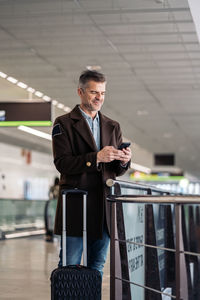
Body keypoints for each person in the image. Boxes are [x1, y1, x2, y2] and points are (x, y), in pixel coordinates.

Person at [52, 70, 132, 275]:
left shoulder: (113, 126)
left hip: (104, 206)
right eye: (94, 92)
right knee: (69, 266)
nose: (99, 98)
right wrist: (96, 157)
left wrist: (123, 161)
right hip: (77, 203)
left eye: (103, 93)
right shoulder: (64, 123)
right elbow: (62, 163)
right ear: (80, 91)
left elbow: (115, 170)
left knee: (96, 267)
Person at [44, 177, 59, 242]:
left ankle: (50, 233)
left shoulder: (52, 188)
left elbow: (49, 195)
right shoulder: (59, 187)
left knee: (50, 219)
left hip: (52, 205)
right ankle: (54, 232)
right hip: (57, 205)